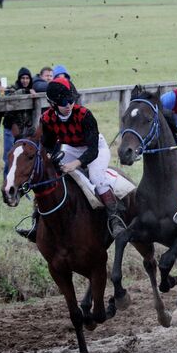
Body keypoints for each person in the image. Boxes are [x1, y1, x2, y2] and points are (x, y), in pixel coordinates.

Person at [39, 78, 125, 237]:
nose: (68, 105)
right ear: (52, 104)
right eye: (63, 102)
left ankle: (115, 218)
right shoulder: (46, 118)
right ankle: (37, 221)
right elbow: (48, 143)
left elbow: (92, 151)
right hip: (70, 147)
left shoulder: (84, 115)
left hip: (95, 148)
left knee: (96, 176)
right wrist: (52, 156)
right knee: (48, 175)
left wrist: (75, 164)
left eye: (71, 100)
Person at [2, 67, 34, 177]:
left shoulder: (33, 90)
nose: (25, 81)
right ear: (19, 79)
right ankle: (6, 182)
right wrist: (27, 91)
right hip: (10, 129)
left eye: (27, 78)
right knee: (8, 158)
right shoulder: (13, 89)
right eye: (23, 78)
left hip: (24, 131)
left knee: (22, 158)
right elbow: (11, 96)